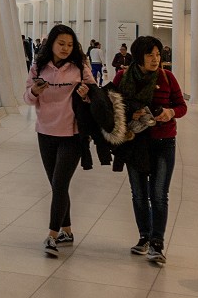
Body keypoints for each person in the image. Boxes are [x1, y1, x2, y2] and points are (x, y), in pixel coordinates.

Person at [108, 35, 186, 265]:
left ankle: (157, 242)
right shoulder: (123, 77)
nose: (155, 59)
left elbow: (181, 106)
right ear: (139, 56)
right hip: (135, 143)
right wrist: (130, 113)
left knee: (159, 195)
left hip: (163, 142)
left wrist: (169, 113)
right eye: (150, 54)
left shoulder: (167, 77)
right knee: (139, 194)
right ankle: (144, 236)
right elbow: (114, 107)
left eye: (158, 54)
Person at [24, 24, 94, 258]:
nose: (65, 48)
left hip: (72, 134)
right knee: (57, 186)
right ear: (51, 43)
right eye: (61, 43)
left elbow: (95, 96)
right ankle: (67, 231)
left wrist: (86, 95)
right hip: (45, 132)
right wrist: (35, 90)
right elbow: (27, 98)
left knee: (60, 184)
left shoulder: (80, 67)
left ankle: (52, 237)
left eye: (70, 44)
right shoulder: (38, 67)